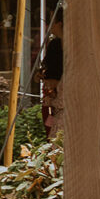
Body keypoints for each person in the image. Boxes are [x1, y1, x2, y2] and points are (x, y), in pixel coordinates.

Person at [38, 7, 64, 138]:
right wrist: (41, 74)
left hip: (62, 101)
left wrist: (56, 83)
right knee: (50, 131)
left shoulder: (74, 47)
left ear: (60, 24)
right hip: (51, 100)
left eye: (52, 21)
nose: (49, 25)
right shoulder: (54, 44)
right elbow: (46, 65)